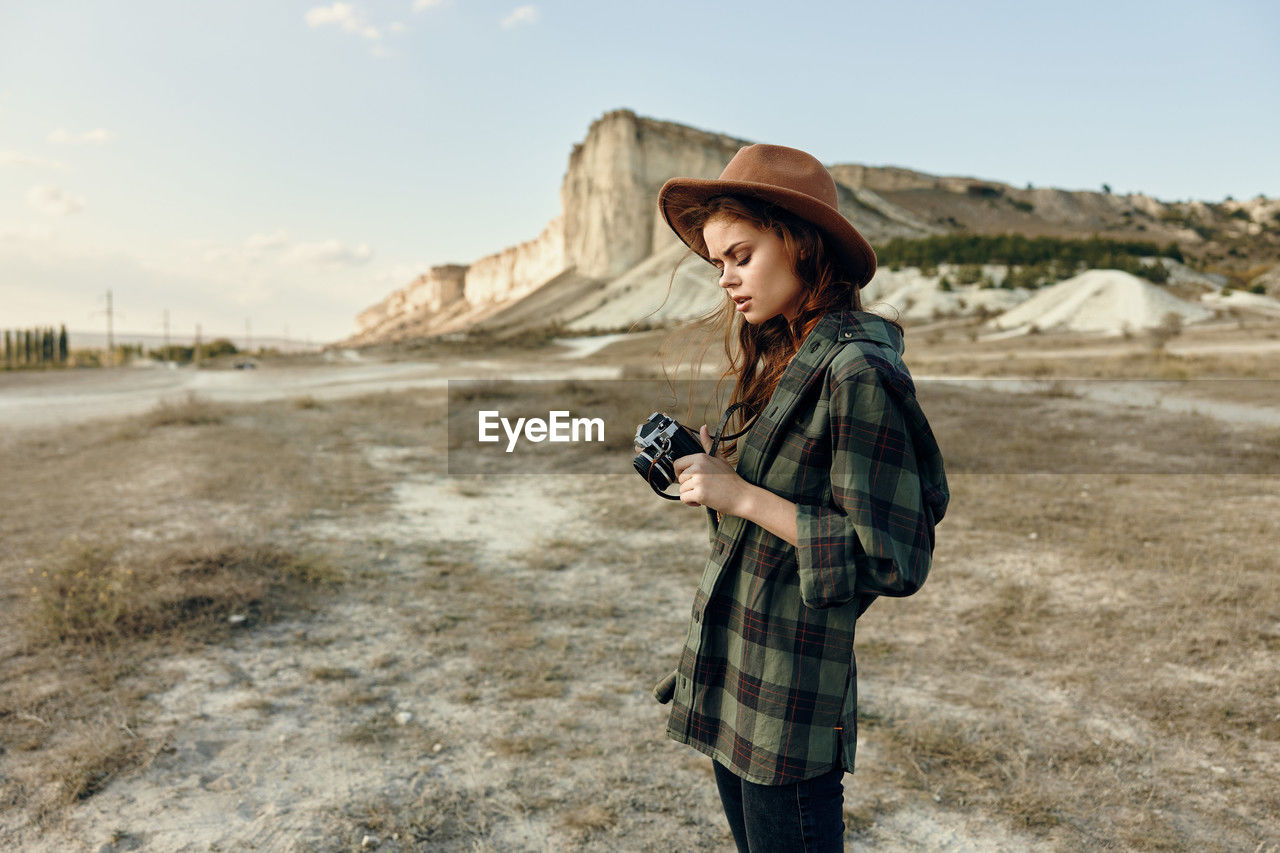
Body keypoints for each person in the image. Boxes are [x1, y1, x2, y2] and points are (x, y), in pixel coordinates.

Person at [647, 144, 950, 852]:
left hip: (791, 697)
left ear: (798, 242)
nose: (725, 279)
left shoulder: (858, 370)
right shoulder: (784, 354)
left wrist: (746, 496)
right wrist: (718, 473)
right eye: (717, 263)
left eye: (741, 255)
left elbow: (895, 557)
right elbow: (782, 500)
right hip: (738, 671)